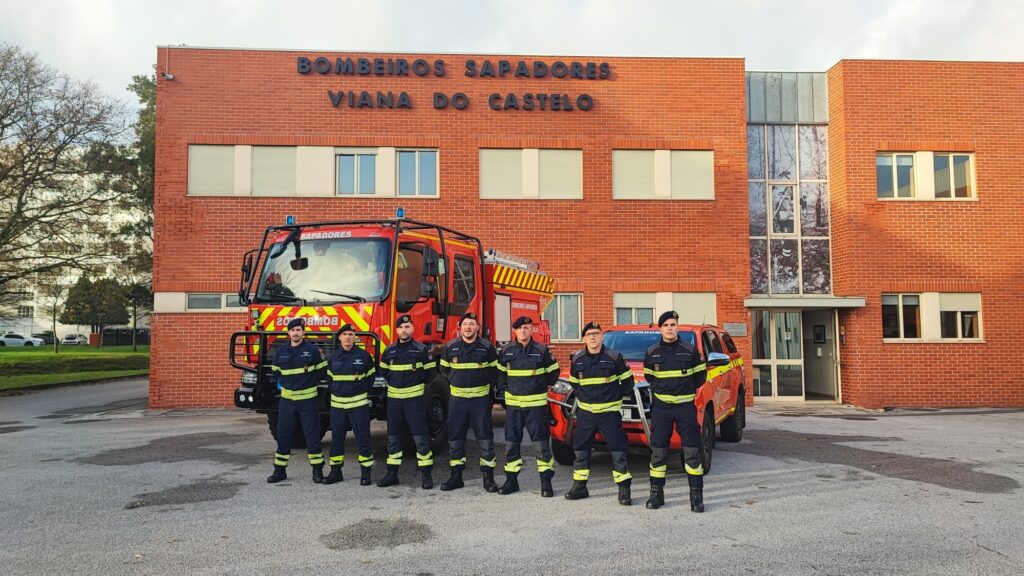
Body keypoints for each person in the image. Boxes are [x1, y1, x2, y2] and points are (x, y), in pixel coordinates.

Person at [563, 321, 635, 505]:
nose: (593, 337)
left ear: (602, 336)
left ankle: (624, 489)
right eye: (589, 334)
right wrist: (584, 398)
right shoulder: (578, 359)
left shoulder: (614, 357)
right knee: (580, 449)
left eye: (596, 333)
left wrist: (616, 396)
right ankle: (580, 486)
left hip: (609, 413)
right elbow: (574, 383)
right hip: (586, 413)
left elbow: (628, 382)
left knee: (617, 450)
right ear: (584, 339)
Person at [643, 311, 708, 512]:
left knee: (692, 452)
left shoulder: (690, 351)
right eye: (666, 325)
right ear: (660, 329)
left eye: (673, 324)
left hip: (685, 408)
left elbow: (700, 377)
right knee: (658, 452)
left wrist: (682, 392)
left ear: (677, 327)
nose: (669, 328)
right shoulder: (652, 352)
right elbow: (649, 378)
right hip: (661, 408)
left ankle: (696, 497)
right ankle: (656, 494)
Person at [495, 316, 560, 497]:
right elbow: (500, 375)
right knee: (511, 444)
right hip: (514, 408)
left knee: (541, 446)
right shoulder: (506, 351)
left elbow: (553, 373)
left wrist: (539, 385)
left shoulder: (542, 350)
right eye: (520, 328)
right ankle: (511, 481)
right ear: (515, 331)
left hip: (536, 408)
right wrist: (507, 389)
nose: (523, 331)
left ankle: (546, 483)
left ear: (532, 330)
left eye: (526, 328)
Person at [438, 312, 500, 492]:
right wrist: (457, 380)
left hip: (480, 401)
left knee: (485, 438)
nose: (468, 327)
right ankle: (456, 477)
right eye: (465, 324)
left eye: (472, 324)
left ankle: (488, 478)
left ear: (477, 327)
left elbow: (494, 371)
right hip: (458, 401)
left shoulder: (487, 347)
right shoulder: (450, 347)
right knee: (455, 438)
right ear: (460, 327)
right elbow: (444, 370)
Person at [376, 315, 437, 489]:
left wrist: (415, 380)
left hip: (414, 401)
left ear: (412, 329)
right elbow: (384, 371)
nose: (404, 330)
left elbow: (430, 374)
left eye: (407, 327)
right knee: (393, 438)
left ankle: (426, 475)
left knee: (420, 438)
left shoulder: (421, 350)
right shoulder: (389, 350)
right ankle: (392, 474)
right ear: (397, 330)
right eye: (401, 327)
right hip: (394, 402)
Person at [266, 317, 328, 484]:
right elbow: (276, 372)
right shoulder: (281, 351)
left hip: (308, 401)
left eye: (298, 330)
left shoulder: (312, 350)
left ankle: (317, 471)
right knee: (283, 435)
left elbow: (321, 371)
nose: (295, 333)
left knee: (312, 435)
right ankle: (280, 471)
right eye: (293, 330)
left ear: (303, 332)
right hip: (287, 401)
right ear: (289, 333)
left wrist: (307, 382)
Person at [324, 323, 377, 486]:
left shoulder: (364, 356)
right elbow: (330, 379)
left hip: (358, 406)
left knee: (363, 438)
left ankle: (366, 473)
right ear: (339, 337)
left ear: (355, 337)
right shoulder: (333, 357)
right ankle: (335, 472)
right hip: (338, 407)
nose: (347, 337)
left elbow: (370, 378)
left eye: (350, 334)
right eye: (345, 334)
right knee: (337, 439)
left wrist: (358, 390)